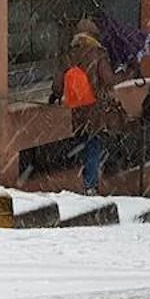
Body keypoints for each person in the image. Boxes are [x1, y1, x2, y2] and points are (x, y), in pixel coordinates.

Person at [50, 18, 130, 195]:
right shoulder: (98, 54)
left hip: (77, 109)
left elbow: (58, 84)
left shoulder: (69, 55)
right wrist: (125, 74)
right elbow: (108, 80)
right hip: (95, 109)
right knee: (93, 145)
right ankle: (91, 185)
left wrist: (55, 96)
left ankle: (84, 178)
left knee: (82, 143)